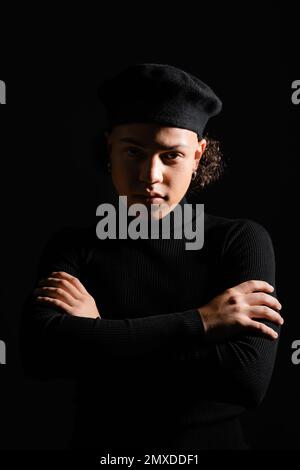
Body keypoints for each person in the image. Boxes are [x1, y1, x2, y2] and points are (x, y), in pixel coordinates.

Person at [21, 63, 284, 452]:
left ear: (197, 156)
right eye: (134, 152)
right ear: (110, 146)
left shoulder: (239, 240)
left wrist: (99, 334)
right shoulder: (75, 245)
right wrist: (202, 321)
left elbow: (247, 379)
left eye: (171, 156)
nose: (150, 175)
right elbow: (41, 356)